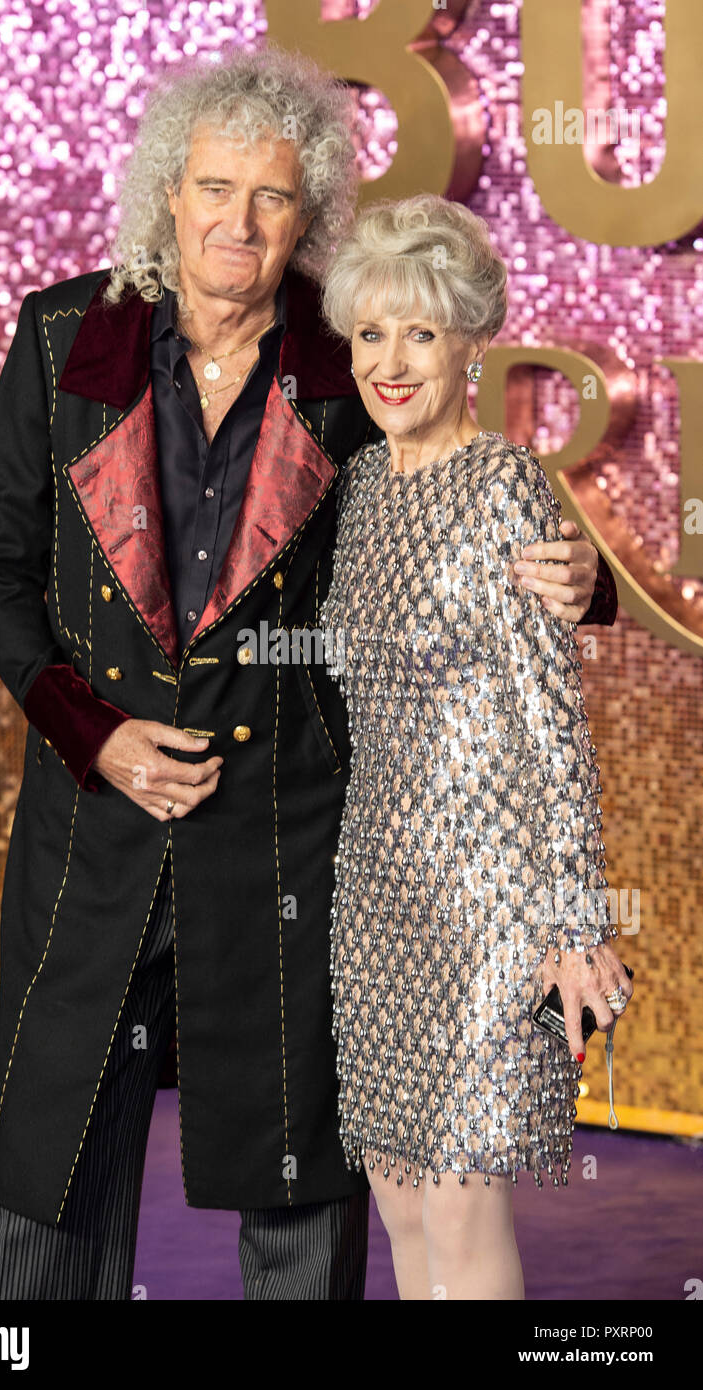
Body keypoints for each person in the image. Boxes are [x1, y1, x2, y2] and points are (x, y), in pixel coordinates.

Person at [0, 48, 617, 1302]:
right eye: (213, 189)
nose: (237, 223)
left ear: (307, 212)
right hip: (95, 824)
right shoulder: (62, 336)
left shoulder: (346, 352)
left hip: (289, 841)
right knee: (53, 1173)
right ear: (169, 192)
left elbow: (469, 509)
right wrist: (90, 732)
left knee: (303, 1193)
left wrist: (581, 585)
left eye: (270, 197)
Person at [319, 193, 633, 1301]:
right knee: (400, 1189)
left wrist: (578, 919)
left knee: (459, 1193)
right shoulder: (351, 492)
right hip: (374, 890)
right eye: (370, 332)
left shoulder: (504, 486)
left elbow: (554, 722)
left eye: (420, 332)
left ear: (468, 344)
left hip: (490, 896)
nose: (390, 362)